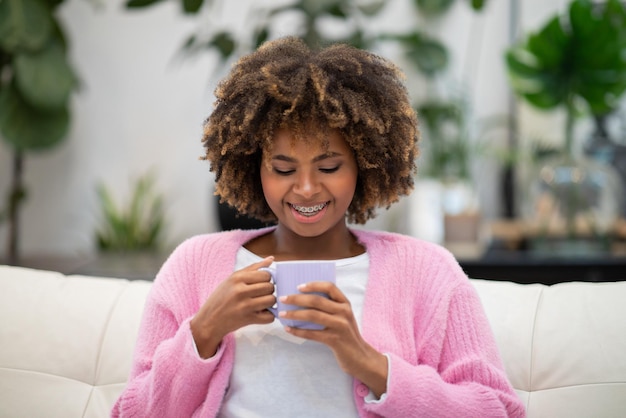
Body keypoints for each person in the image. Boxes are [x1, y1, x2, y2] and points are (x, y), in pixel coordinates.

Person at [112, 36, 525, 417]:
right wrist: (204, 331)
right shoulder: (194, 265)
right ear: (254, 167)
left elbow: (497, 410)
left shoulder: (426, 270)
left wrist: (367, 361)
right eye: (283, 168)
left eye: (328, 166)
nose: (307, 189)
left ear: (364, 164)